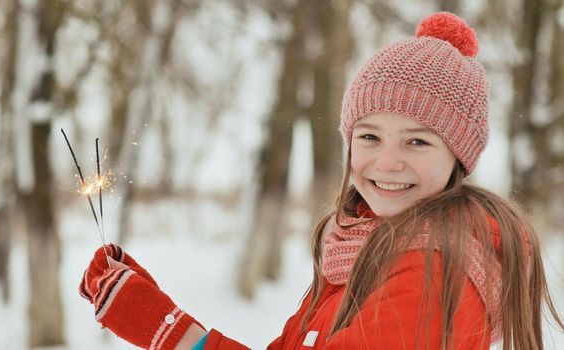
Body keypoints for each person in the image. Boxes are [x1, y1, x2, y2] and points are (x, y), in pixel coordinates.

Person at [79, 12, 563, 350]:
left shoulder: (437, 270)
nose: (386, 163)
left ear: (459, 156)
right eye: (369, 136)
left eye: (417, 142)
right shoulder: (360, 244)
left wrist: (164, 330)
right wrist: (154, 309)